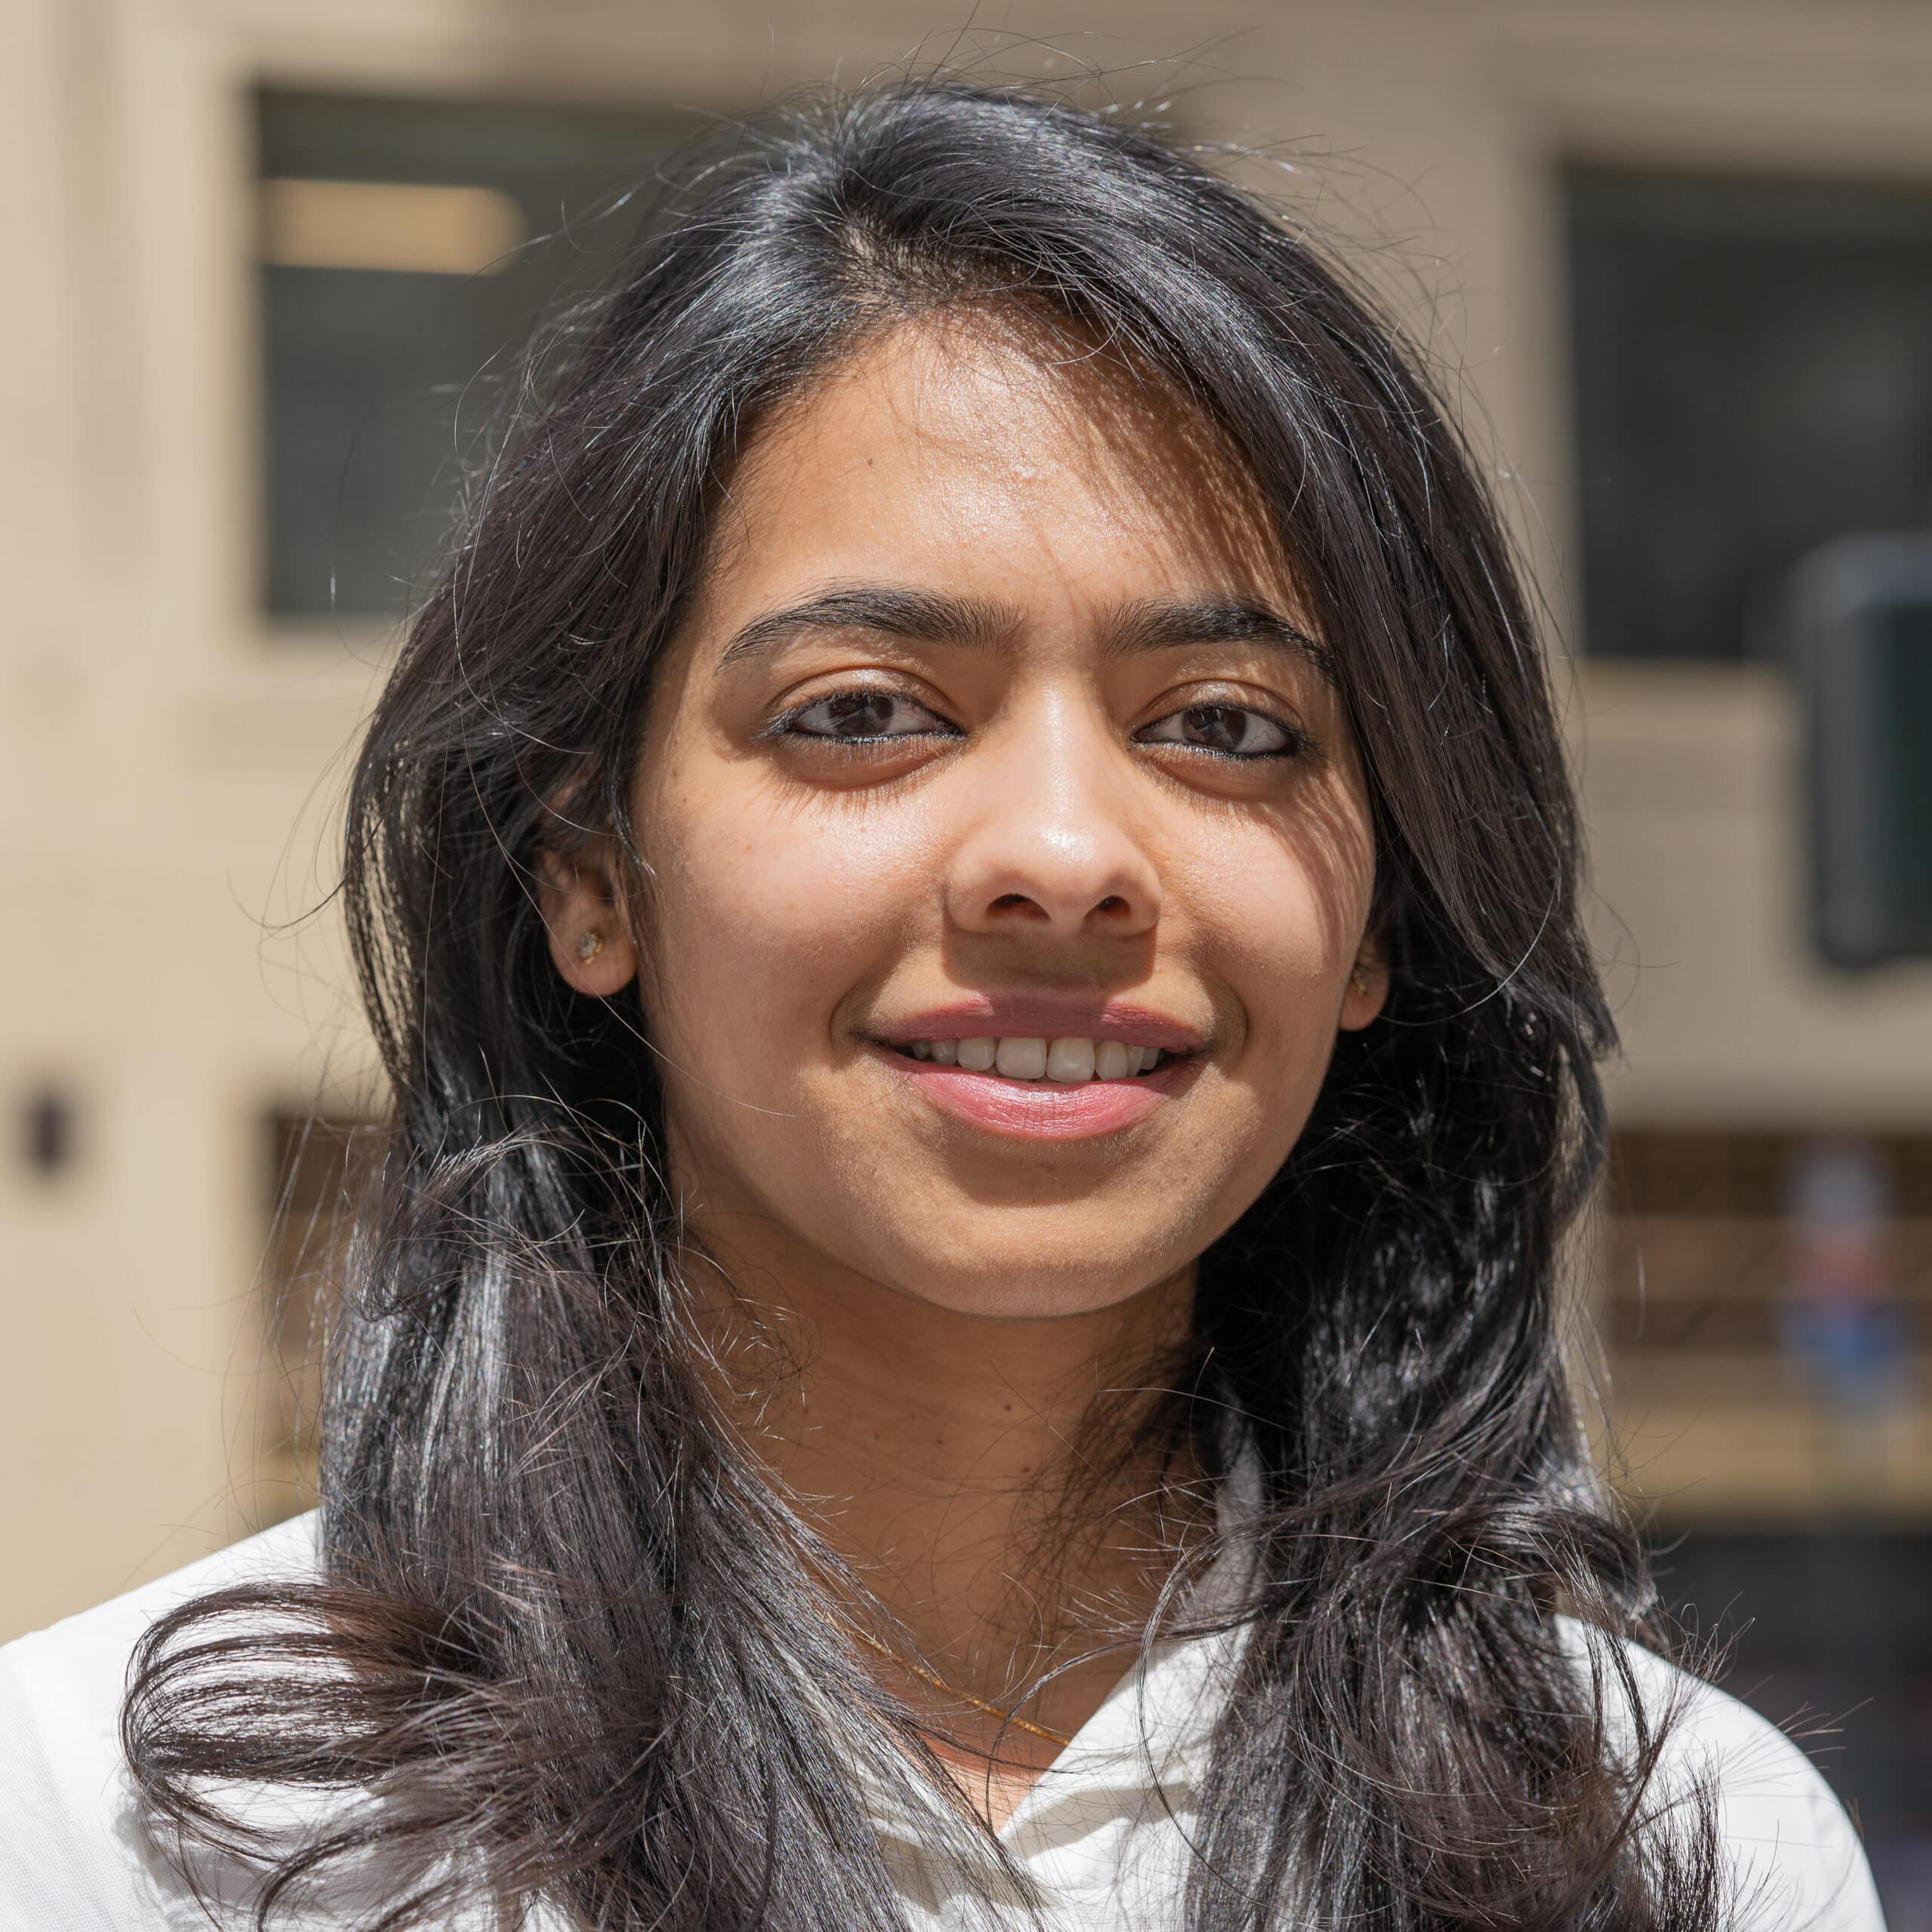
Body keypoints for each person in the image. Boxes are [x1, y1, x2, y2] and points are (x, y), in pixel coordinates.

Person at [0, 79, 1884, 1932]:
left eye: (1223, 727)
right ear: (585, 869)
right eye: (863, 711)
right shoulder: (143, 1833)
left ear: (1378, 905)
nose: (1064, 853)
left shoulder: (1669, 1846)